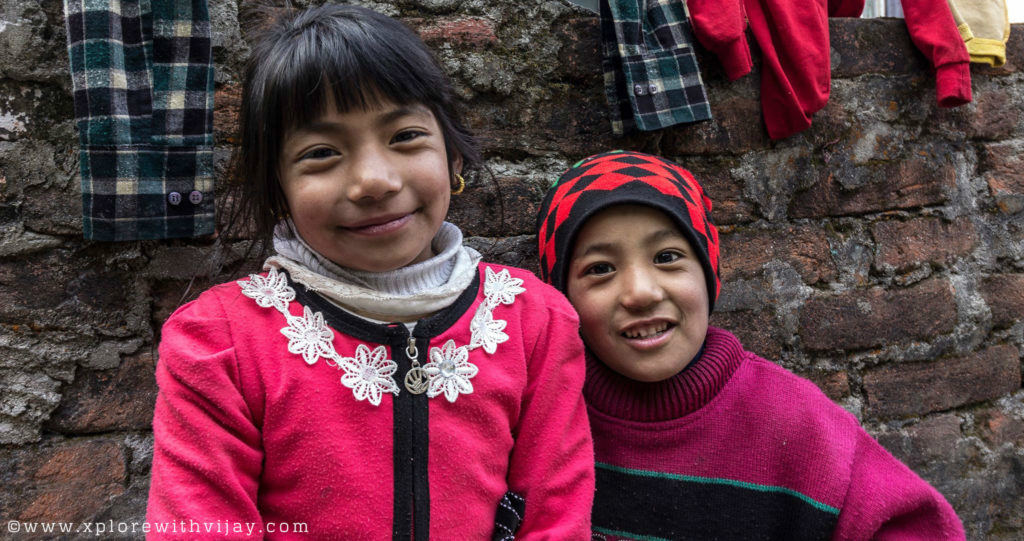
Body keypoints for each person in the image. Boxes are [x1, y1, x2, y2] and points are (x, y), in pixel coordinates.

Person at [146, 5, 594, 539]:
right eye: (321, 152)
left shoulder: (534, 320)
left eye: (404, 136)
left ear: (453, 158)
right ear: (278, 187)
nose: (373, 181)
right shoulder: (219, 344)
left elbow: (555, 517)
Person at [535, 150, 965, 540]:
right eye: (601, 268)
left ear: (709, 274)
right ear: (562, 296)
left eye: (667, 257)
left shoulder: (798, 425)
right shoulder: (544, 419)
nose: (641, 292)